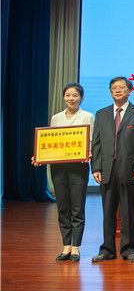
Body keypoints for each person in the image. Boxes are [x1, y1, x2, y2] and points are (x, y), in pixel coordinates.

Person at [91, 77, 134, 263]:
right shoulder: (101, 114)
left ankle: (129, 249)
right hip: (107, 169)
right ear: (110, 92)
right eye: (114, 88)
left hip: (129, 169)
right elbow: (96, 143)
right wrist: (96, 167)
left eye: (121, 87)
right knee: (108, 211)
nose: (117, 90)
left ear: (129, 90)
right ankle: (107, 249)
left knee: (127, 211)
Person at [37, 83, 94, 262]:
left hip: (79, 167)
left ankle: (76, 247)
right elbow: (51, 142)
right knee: (62, 207)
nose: (71, 98)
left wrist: (88, 153)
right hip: (59, 168)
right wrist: (40, 156)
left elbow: (91, 141)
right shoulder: (56, 118)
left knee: (77, 208)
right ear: (64, 97)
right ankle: (66, 246)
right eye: (68, 95)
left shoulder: (88, 116)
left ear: (81, 98)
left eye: (75, 95)